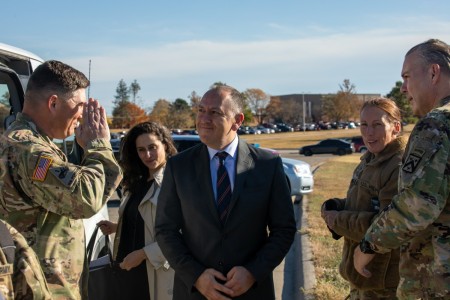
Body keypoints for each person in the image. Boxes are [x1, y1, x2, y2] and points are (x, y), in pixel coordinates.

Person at [155, 85, 296, 300]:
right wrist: (196, 276)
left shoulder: (267, 165)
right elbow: (165, 231)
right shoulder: (178, 167)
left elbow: (284, 229)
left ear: (237, 121)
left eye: (215, 112)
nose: (204, 118)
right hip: (195, 292)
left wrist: (252, 272)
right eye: (201, 110)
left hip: (252, 292)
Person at [0, 60, 123, 299]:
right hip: (43, 289)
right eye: (79, 105)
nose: (81, 115)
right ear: (53, 103)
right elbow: (86, 198)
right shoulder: (30, 151)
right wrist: (98, 146)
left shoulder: (18, 142)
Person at [354, 39, 450, 298]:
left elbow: (417, 205)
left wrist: (368, 245)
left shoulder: (437, 124)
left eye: (407, 77)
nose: (404, 88)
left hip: (436, 280)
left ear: (433, 72)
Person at [321, 97, 406, 299]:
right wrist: (338, 206)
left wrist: (337, 220)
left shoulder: (398, 166)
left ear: (395, 127)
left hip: (382, 285)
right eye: (364, 125)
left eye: (377, 125)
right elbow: (364, 203)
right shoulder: (370, 158)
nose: (369, 132)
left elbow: (386, 225)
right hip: (360, 278)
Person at [98, 121, 176, 300]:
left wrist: (143, 254)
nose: (147, 155)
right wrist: (118, 226)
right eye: (141, 150)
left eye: (152, 147)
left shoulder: (175, 182)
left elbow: (181, 235)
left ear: (165, 145)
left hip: (154, 273)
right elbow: (146, 221)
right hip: (127, 270)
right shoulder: (136, 181)